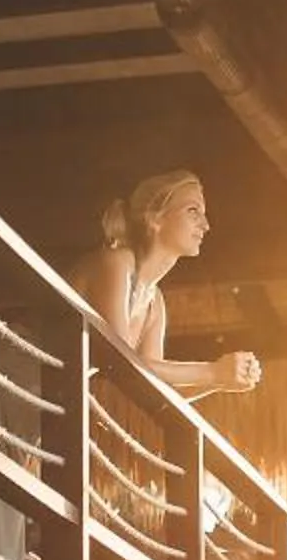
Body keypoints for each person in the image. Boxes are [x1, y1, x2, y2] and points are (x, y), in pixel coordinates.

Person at [68, 169, 262, 397]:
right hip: (22, 368)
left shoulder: (154, 302)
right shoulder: (117, 263)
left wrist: (220, 381)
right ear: (155, 219)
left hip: (50, 391)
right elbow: (121, 362)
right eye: (193, 211)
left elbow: (151, 387)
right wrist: (213, 372)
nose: (206, 225)